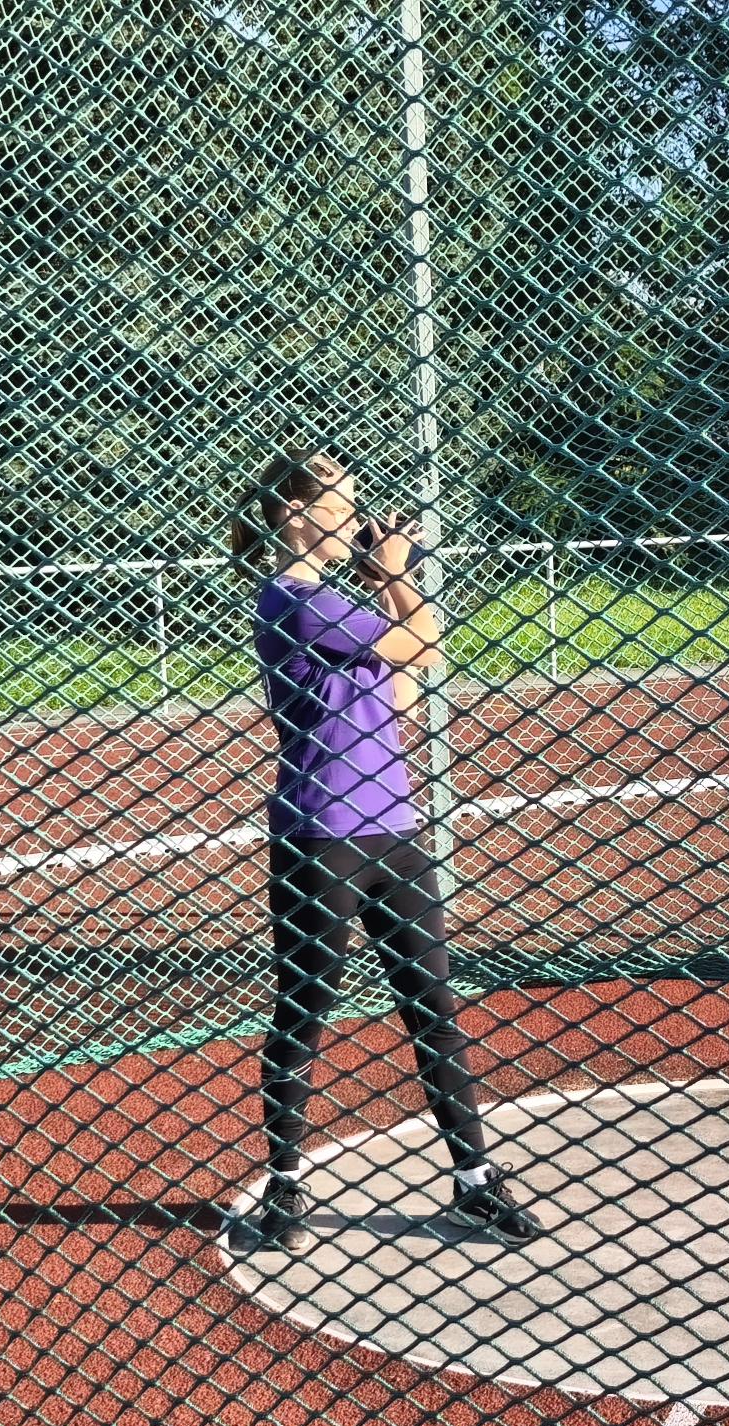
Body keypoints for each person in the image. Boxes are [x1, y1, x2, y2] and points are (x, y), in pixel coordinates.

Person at [229, 448, 542, 1254]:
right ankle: (285, 1184)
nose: (354, 522)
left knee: (431, 1004)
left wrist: (384, 584)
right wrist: (396, 573)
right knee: (305, 1009)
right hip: (319, 837)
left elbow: (403, 685)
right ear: (296, 515)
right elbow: (426, 641)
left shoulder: (344, 611)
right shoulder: (294, 601)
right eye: (339, 508)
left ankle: (473, 1180)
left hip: (395, 831)